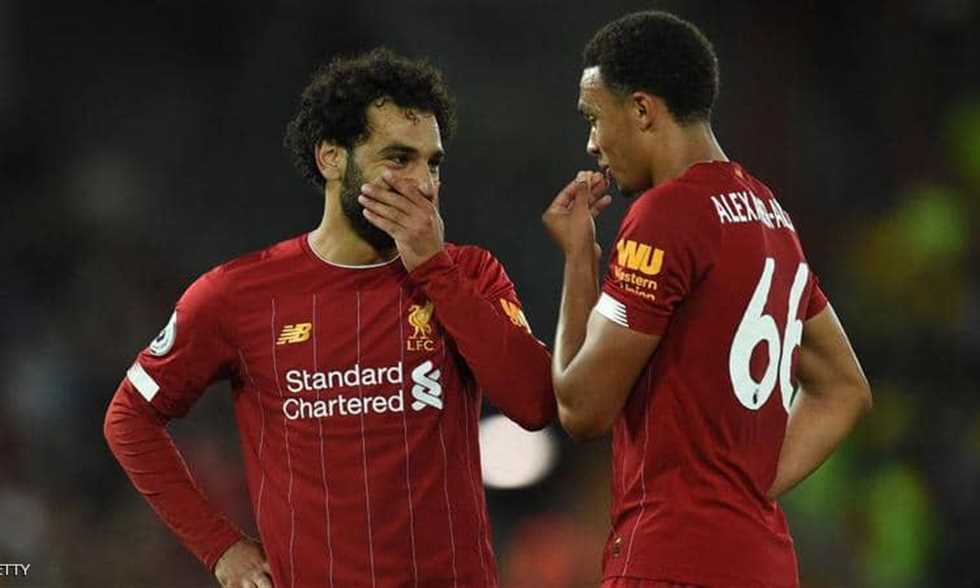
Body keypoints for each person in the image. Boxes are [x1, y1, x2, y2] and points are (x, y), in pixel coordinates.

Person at [104, 48, 555, 588]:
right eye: (398, 158)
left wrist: (434, 270)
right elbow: (129, 418)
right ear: (331, 158)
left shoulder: (469, 274)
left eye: (432, 163)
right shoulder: (237, 294)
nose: (425, 183)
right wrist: (219, 547)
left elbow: (535, 404)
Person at [542, 11, 872, 588]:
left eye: (594, 118)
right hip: (763, 563)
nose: (592, 142)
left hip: (672, 560)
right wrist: (741, 492)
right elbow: (845, 389)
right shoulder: (772, 217)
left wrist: (578, 260)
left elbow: (581, 408)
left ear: (642, 110)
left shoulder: (667, 213)